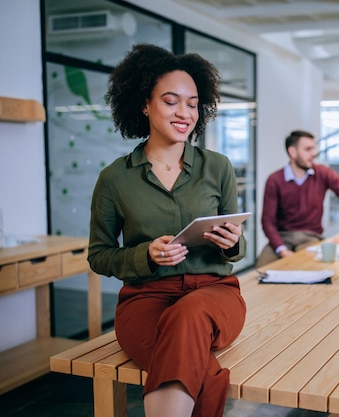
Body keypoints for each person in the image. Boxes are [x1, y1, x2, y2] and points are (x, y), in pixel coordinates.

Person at [88, 44, 247, 417]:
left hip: (214, 295)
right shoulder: (114, 179)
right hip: (145, 301)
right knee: (195, 361)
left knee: (188, 313)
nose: (184, 113)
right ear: (144, 104)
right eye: (171, 101)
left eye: (192, 104)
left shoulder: (218, 167)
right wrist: (146, 254)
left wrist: (232, 243)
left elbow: (238, 244)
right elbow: (99, 255)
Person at [256, 130, 339, 267]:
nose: (314, 153)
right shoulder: (274, 180)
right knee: (261, 270)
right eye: (308, 149)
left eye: (313, 149)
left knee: (307, 268)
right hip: (282, 239)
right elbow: (267, 222)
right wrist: (282, 250)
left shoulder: (322, 173)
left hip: (311, 237)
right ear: (293, 152)